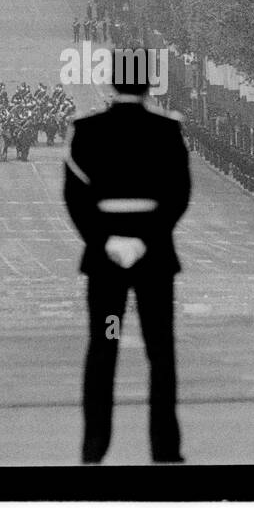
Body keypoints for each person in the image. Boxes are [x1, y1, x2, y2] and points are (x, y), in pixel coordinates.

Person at [63, 50, 191, 464]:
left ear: (111, 82)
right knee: (160, 350)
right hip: (154, 257)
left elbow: (76, 197)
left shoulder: (87, 130)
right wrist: (147, 239)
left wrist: (104, 240)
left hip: (106, 260)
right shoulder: (166, 130)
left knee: (104, 346)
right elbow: (178, 194)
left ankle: (94, 446)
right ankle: (165, 448)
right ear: (148, 84)